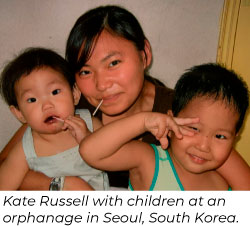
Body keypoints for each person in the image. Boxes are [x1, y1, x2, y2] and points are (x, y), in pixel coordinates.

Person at [0, 5, 250, 189]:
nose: (101, 83)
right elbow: (7, 164)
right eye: (85, 71)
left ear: (144, 54)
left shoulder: (182, 112)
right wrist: (60, 186)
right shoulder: (72, 107)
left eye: (114, 63)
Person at [79, 63, 249, 190]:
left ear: (235, 137)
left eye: (220, 136)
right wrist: (144, 121)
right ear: (171, 119)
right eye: (194, 128)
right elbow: (90, 152)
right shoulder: (149, 160)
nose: (203, 146)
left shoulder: (222, 171)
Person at [0, 47, 109, 190]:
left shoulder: (91, 124)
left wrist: (89, 140)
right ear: (19, 113)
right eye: (32, 100)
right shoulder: (26, 150)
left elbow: (115, 159)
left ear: (74, 94)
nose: (47, 105)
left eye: (55, 92)